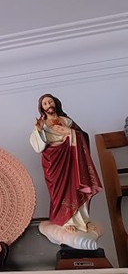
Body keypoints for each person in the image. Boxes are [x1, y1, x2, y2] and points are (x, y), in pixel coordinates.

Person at [29, 94, 102, 241]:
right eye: (45, 103)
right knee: (59, 191)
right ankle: (66, 221)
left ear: (55, 103)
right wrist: (39, 130)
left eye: (50, 101)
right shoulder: (42, 124)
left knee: (75, 186)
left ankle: (81, 221)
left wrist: (70, 133)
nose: (48, 105)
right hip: (54, 163)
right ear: (41, 108)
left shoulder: (67, 121)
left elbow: (83, 137)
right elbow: (38, 146)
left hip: (72, 160)